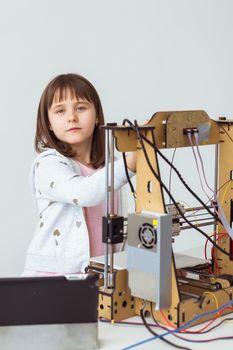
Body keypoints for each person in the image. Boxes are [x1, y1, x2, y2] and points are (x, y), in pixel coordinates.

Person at [22, 73, 136, 276]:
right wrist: (132, 163)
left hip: (97, 282)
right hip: (49, 284)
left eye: (81, 108)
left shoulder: (112, 167)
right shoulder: (48, 164)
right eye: (60, 111)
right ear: (48, 122)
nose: (71, 117)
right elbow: (84, 193)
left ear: (97, 115)